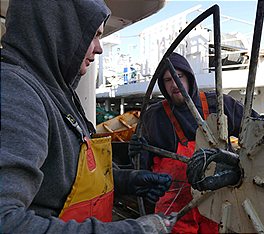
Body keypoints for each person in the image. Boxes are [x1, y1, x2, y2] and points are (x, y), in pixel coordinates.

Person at [0, 1, 174, 233]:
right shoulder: (16, 91)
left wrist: (126, 180)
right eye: (92, 35)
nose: (99, 47)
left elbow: (61, 182)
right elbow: (5, 220)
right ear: (60, 30)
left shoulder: (59, 95)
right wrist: (130, 231)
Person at [130, 52, 264, 233]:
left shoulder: (217, 103)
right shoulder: (154, 117)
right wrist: (139, 161)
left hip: (217, 200)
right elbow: (144, 162)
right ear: (163, 85)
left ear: (189, 76)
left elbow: (259, 127)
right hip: (176, 206)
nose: (174, 83)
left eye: (178, 76)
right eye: (168, 80)